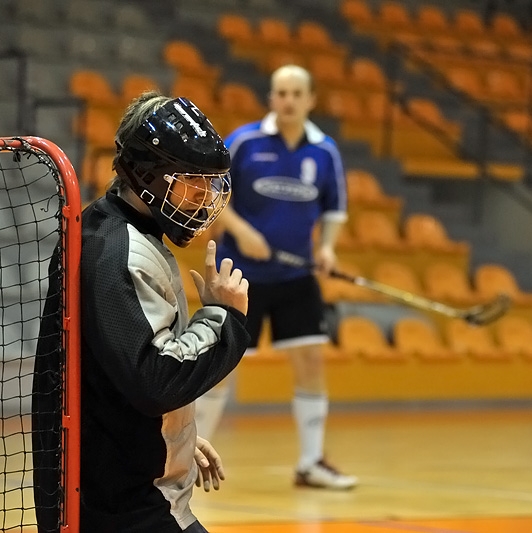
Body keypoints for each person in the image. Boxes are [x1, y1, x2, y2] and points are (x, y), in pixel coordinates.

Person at [31, 92, 251, 532]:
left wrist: (177, 438)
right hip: (123, 508)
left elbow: (114, 373)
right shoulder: (120, 252)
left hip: (123, 490)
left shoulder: (114, 231)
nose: (205, 195)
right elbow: (156, 380)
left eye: (210, 183)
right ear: (149, 177)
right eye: (193, 181)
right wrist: (224, 318)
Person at [194, 65, 357, 490]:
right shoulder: (244, 141)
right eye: (281, 92)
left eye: (296, 93)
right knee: (219, 366)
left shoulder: (325, 151)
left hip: (295, 275)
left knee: (311, 362)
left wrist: (327, 248)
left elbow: (334, 209)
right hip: (239, 276)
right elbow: (214, 194)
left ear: (311, 99)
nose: (288, 100)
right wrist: (243, 231)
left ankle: (311, 463)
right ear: (271, 98)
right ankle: (188, 459)